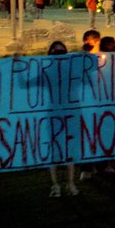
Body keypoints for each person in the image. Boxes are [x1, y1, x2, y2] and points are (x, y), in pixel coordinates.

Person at [45, 41, 79, 197]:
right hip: (54, 113)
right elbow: (25, 84)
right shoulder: (46, 71)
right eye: (55, 53)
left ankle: (70, 183)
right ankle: (55, 184)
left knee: (69, 148)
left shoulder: (72, 70)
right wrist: (18, 65)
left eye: (61, 53)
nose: (59, 56)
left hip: (70, 112)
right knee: (54, 149)